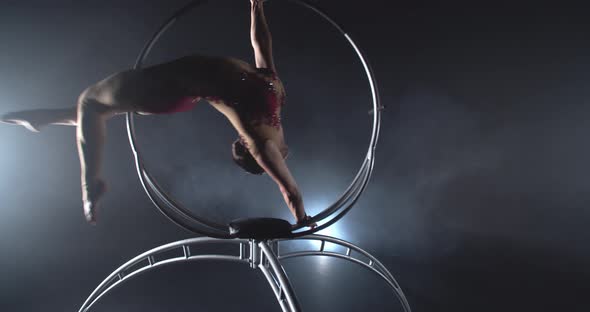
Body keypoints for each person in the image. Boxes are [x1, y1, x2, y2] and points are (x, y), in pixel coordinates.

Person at [1, 0, 316, 228]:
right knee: (97, 110)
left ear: (253, 154)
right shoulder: (274, 97)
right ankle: (44, 119)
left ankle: (89, 186)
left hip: (171, 87)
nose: (283, 159)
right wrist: (256, 7)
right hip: (178, 89)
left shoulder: (263, 143)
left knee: (91, 104)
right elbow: (262, 47)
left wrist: (302, 219)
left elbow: (289, 191)